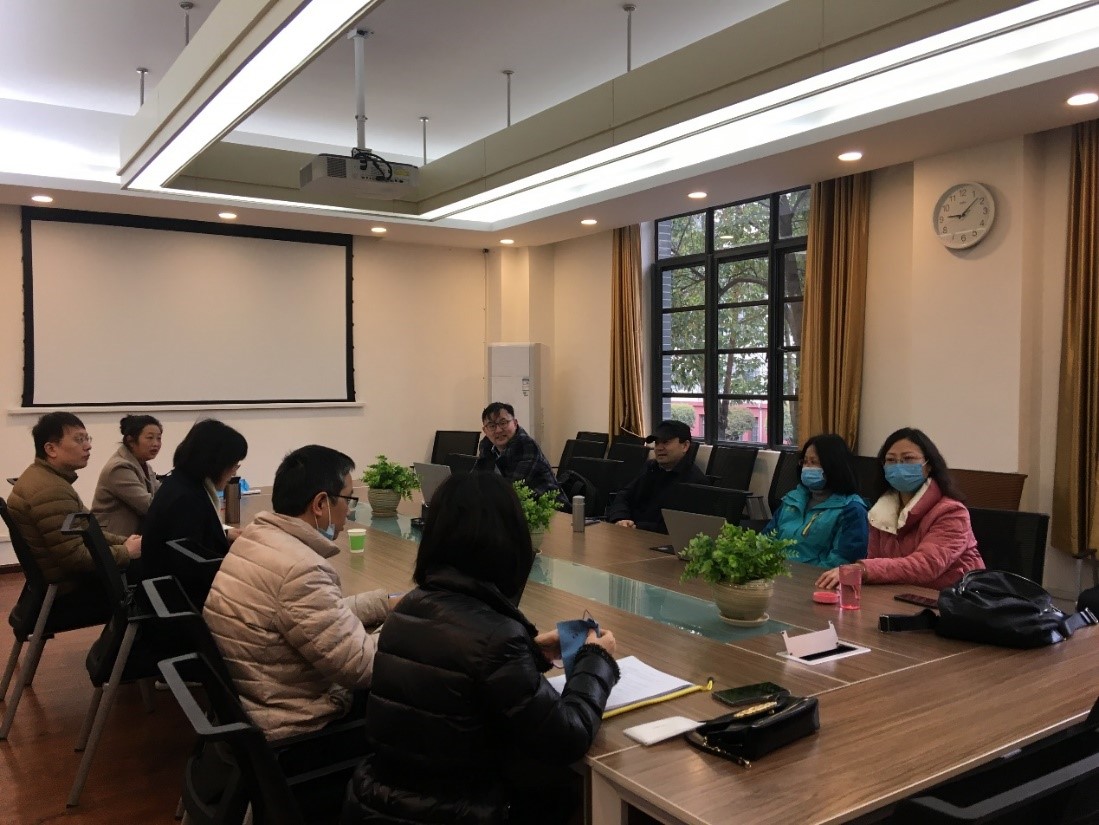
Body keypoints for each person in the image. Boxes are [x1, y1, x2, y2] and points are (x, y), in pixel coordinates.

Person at [341, 472, 620, 825]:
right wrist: (596, 659)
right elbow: (567, 738)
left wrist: (530, 651)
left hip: (380, 807)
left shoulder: (409, 608)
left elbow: (460, 666)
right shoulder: (496, 638)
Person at [204, 445, 395, 740]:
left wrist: (385, 603)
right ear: (320, 504)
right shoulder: (300, 570)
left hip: (255, 703)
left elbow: (318, 616)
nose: (349, 510)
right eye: (348, 499)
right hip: (296, 727)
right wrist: (405, 624)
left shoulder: (257, 539)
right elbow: (362, 667)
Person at [816, 427, 984, 591]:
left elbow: (927, 565)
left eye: (908, 458)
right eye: (891, 460)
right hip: (899, 595)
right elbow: (875, 561)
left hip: (954, 599)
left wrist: (862, 569)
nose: (898, 466)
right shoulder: (881, 511)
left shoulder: (952, 512)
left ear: (929, 465)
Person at [7, 412, 141, 603]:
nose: (88, 446)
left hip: (64, 579)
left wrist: (125, 541)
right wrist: (126, 552)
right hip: (71, 589)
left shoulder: (45, 477)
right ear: (51, 449)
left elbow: (88, 529)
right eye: (79, 440)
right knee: (153, 574)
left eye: (87, 438)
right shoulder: (50, 490)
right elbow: (75, 558)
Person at [140, 418, 247, 592]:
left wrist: (224, 535)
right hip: (183, 598)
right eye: (234, 465)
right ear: (217, 463)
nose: (234, 472)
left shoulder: (179, 484)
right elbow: (194, 568)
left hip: (166, 592)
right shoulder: (187, 500)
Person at [765, 434, 868, 568]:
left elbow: (841, 562)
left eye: (813, 462)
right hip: (774, 573)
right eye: (805, 462)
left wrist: (804, 576)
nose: (807, 468)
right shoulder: (793, 499)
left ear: (834, 466)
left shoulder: (852, 509)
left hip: (814, 578)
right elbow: (766, 539)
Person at [606, 419, 707, 533]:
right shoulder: (651, 467)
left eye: (666, 442)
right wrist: (621, 518)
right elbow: (624, 495)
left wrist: (636, 527)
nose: (659, 448)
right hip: (630, 532)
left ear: (685, 446)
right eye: (657, 443)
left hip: (656, 539)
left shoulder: (695, 481)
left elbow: (679, 527)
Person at [474, 401, 566, 505]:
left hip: (550, 507)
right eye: (492, 426)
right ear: (485, 430)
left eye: (503, 423)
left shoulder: (526, 445)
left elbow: (512, 489)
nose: (498, 430)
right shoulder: (486, 446)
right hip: (518, 506)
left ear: (515, 423)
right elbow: (477, 480)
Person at [91, 414, 163, 535]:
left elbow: (161, 493)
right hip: (111, 538)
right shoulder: (119, 467)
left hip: (130, 538)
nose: (156, 443)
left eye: (159, 438)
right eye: (150, 438)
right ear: (131, 441)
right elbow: (148, 505)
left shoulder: (144, 465)